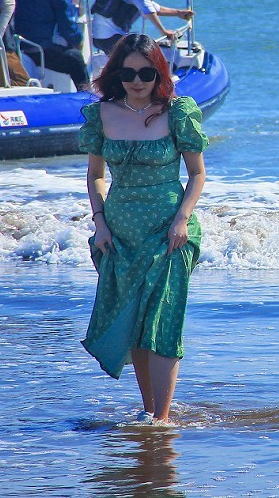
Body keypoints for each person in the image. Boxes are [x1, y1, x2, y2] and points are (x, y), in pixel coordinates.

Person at [78, 34, 208, 424]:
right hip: (119, 235)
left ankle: (162, 421)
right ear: (117, 73)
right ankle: (151, 412)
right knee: (134, 322)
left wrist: (182, 219)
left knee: (163, 320)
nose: (137, 81)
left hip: (169, 232)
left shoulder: (178, 112)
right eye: (129, 72)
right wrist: (100, 223)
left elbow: (198, 174)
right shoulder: (101, 115)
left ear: (159, 73)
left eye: (146, 73)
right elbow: (96, 176)